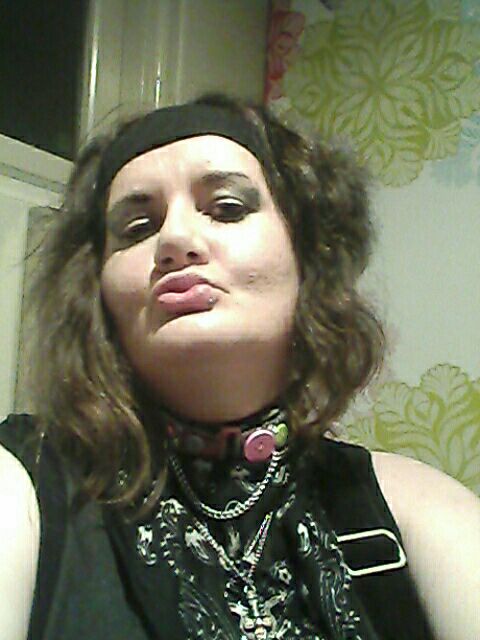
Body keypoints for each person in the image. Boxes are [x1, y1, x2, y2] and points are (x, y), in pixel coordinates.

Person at [0, 93, 478, 640]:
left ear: (307, 257)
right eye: (136, 229)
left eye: (227, 208)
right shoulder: (26, 486)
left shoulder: (412, 510)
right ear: (98, 293)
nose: (174, 240)